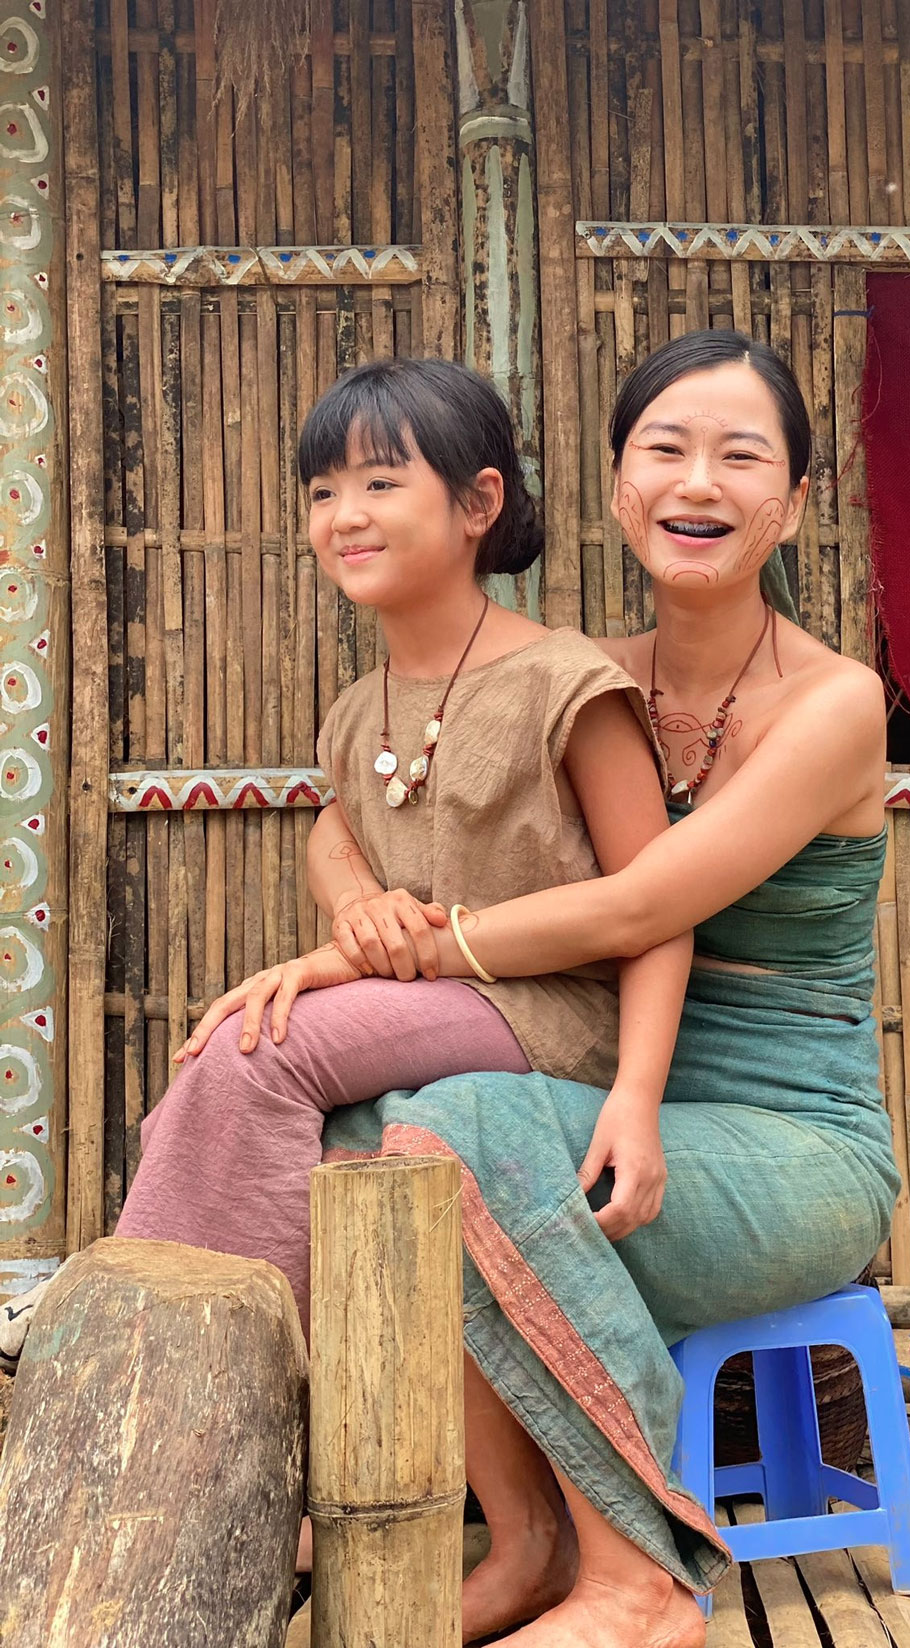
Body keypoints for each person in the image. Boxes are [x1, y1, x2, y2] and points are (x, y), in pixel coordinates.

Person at [253, 329, 900, 1648]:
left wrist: (399, 950)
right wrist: (351, 898)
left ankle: (641, 1579)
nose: (697, 481)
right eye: (665, 449)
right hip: (590, 1091)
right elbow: (349, 805)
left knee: (465, 1124)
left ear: (792, 502)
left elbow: (640, 907)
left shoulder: (835, 703)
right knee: (366, 1131)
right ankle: (524, 1539)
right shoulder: (575, 677)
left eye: (740, 456)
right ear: (618, 487)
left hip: (792, 1143)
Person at [0, 354, 689, 1365]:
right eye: (323, 491)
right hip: (429, 1002)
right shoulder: (361, 708)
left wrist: (636, 1098)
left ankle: (180, 1351)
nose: (344, 516)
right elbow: (336, 823)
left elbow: (661, 907)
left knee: (257, 1049)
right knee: (215, 1067)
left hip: (547, 1010)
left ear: (478, 503)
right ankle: (175, 1335)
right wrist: (355, 896)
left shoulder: (565, 685)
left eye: (380, 482)